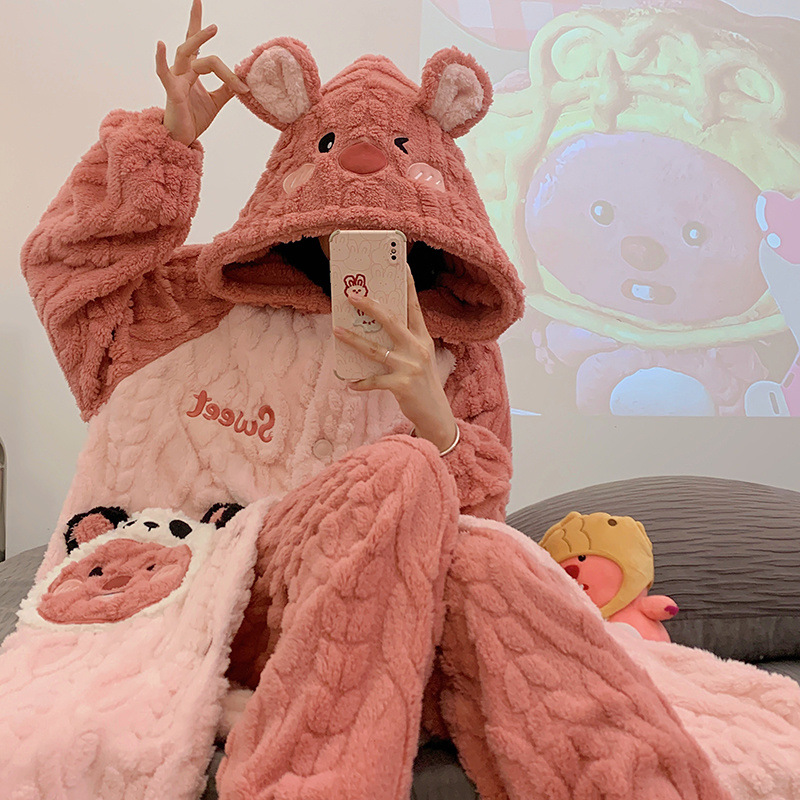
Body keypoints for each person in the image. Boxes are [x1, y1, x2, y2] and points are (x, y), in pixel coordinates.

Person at [20, 3, 729, 798]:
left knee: (489, 555)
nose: (356, 226)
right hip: (202, 590)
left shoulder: (456, 351)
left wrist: (433, 414)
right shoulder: (194, 303)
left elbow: (468, 538)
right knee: (401, 471)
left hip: (375, 620)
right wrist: (168, 143)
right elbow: (71, 282)